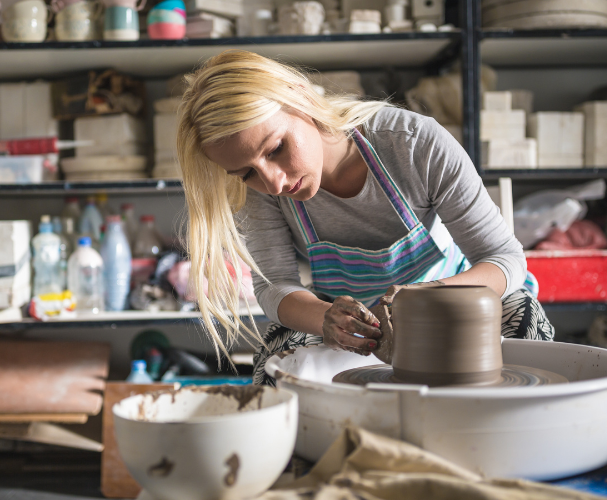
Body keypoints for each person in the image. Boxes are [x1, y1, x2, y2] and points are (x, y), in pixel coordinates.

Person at [176, 50, 554, 385]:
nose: (273, 182)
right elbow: (275, 287)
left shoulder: (413, 144)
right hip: (349, 322)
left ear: (302, 98)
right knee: (275, 364)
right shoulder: (260, 190)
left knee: (522, 317)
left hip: (449, 300)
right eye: (246, 173)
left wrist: (426, 302)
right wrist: (328, 318)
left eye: (276, 148)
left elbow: (505, 259)